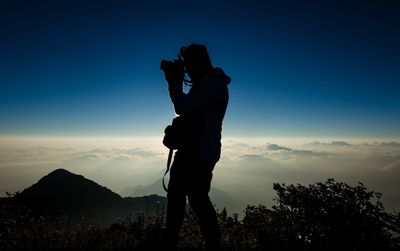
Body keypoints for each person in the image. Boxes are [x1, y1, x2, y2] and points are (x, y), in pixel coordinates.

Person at [161, 44, 230, 251]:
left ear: (201, 61)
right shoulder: (202, 85)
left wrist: (173, 81)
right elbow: (189, 113)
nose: (187, 71)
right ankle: (170, 242)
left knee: (197, 200)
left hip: (200, 155)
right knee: (177, 198)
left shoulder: (215, 86)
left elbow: (182, 106)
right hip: (192, 150)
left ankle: (213, 245)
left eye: (189, 66)